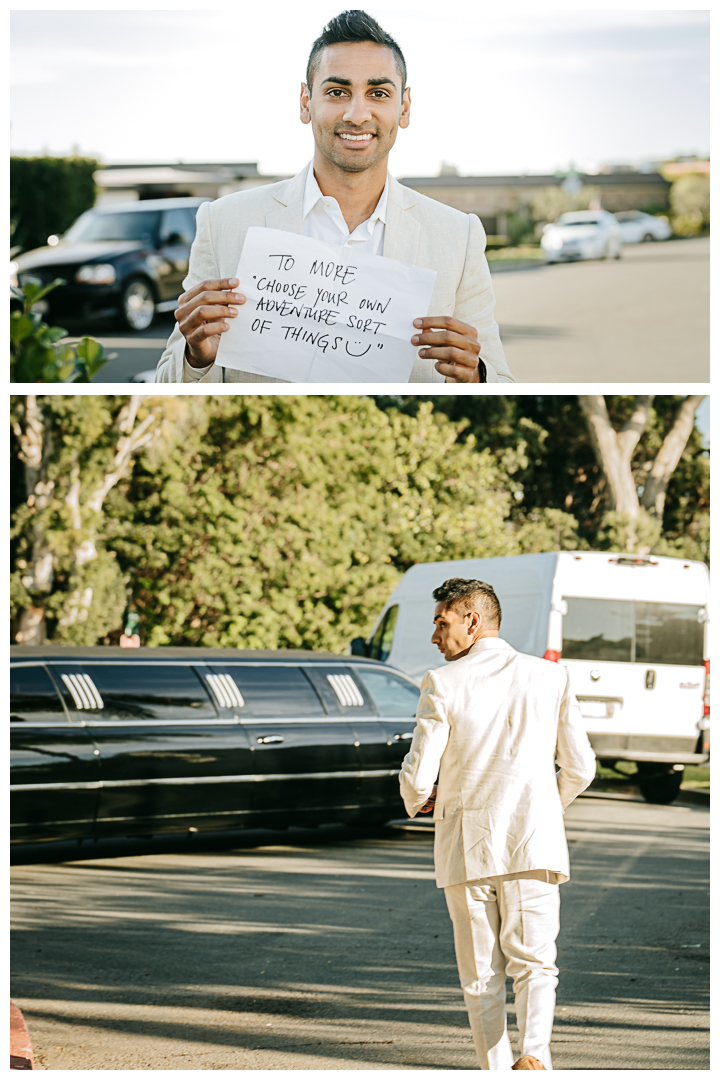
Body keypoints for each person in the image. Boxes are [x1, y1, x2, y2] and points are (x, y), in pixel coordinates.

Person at [156, 10, 514, 384]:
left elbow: (503, 383)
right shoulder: (223, 222)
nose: (357, 114)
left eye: (378, 93)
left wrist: (475, 378)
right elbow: (165, 383)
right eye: (337, 92)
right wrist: (196, 357)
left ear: (404, 108)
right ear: (305, 102)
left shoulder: (459, 236)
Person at [399, 577, 596, 1071]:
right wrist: (547, 806)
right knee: (536, 963)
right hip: (535, 841)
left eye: (441, 623)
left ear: (472, 620)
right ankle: (536, 1055)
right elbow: (581, 768)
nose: (434, 637)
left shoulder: (443, 683)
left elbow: (419, 777)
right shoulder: (551, 677)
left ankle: (495, 1067)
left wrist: (418, 799)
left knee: (482, 974)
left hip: (468, 847)